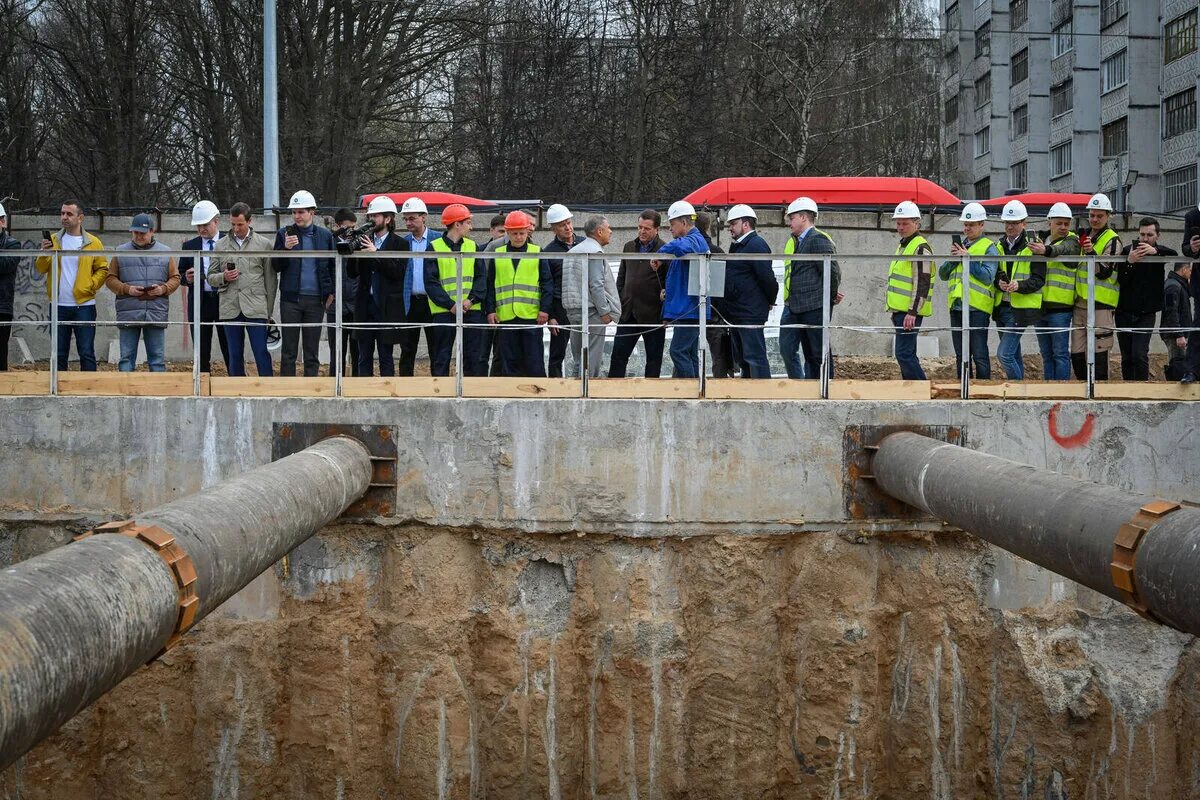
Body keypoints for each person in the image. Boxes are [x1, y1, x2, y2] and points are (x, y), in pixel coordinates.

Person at [36, 200, 108, 371]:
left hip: (84, 305)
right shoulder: (53, 240)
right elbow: (40, 268)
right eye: (62, 213)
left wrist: (91, 285)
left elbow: (103, 269)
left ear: (80, 217)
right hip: (58, 305)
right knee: (59, 353)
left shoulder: (93, 242)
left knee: (86, 352)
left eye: (69, 214)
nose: (64, 217)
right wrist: (44, 253)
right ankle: (58, 390)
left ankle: (89, 390)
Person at [105, 214, 179, 372]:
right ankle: (126, 394)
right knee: (126, 359)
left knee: (157, 360)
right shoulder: (121, 252)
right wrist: (128, 289)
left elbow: (175, 278)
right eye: (135, 232)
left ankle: (158, 395)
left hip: (155, 312)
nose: (138, 236)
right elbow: (110, 279)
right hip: (128, 312)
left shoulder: (165, 252)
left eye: (142, 233)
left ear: (152, 231)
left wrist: (162, 289)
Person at [273, 190, 336, 377]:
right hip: (290, 300)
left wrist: (331, 292)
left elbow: (333, 266)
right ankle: (288, 390)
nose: (297, 216)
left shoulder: (325, 236)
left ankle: (311, 390)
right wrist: (285, 249)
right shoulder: (284, 234)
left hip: (316, 301)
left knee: (311, 351)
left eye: (301, 212)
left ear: (312, 213)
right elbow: (275, 266)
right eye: (294, 212)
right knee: (289, 351)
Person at [210, 202, 276, 377]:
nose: (236, 228)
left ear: (249, 221)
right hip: (230, 306)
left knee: (261, 352)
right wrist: (224, 277)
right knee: (234, 354)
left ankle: (268, 389)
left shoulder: (264, 244)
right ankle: (235, 391)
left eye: (240, 224)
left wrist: (268, 310)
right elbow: (210, 276)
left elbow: (270, 280)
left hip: (256, 307)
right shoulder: (220, 245)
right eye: (232, 224)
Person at [348, 196, 410, 376]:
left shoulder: (401, 244)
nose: (371, 220)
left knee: (385, 355)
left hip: (386, 306)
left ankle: (387, 394)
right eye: (370, 216)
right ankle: (363, 392)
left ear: (388, 219)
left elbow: (398, 273)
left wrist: (377, 253)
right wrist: (353, 249)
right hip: (365, 305)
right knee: (363, 355)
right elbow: (352, 273)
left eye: (376, 216)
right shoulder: (364, 240)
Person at [779, 196, 840, 379]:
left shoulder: (817, 239)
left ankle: (825, 385)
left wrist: (829, 298)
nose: (789, 222)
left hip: (814, 306)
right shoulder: (798, 241)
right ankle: (808, 386)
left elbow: (832, 271)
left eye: (792, 218)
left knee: (817, 352)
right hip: (799, 305)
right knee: (805, 352)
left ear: (804, 217)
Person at [486, 211, 552, 377]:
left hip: (531, 316)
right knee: (509, 361)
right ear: (507, 233)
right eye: (514, 233)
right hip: (505, 316)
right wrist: (491, 310)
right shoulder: (498, 253)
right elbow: (490, 284)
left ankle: (537, 393)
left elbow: (547, 283)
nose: (518, 237)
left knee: (534, 360)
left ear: (527, 231)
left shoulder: (538, 251)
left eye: (522, 233)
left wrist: (545, 309)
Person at [939, 202, 997, 379]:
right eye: (965, 224)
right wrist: (953, 260)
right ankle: (963, 388)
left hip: (977, 308)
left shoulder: (989, 247)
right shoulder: (961, 246)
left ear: (981, 225)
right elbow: (943, 274)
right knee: (961, 355)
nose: (967, 228)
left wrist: (968, 260)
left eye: (971, 225)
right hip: (957, 307)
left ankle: (984, 390)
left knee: (979, 354)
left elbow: (988, 277)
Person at [427, 203, 487, 376]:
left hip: (471, 310)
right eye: (468, 222)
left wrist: (471, 300)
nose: (471, 226)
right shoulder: (434, 247)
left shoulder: (472, 246)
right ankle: (441, 396)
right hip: (444, 311)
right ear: (457, 224)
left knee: (473, 357)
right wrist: (450, 305)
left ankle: (471, 394)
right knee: (441, 356)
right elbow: (431, 282)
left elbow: (481, 277)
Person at [653, 200, 711, 378]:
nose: (670, 229)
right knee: (689, 353)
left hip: (689, 310)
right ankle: (695, 388)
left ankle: (690, 389)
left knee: (677, 351)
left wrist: (660, 254)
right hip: (688, 309)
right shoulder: (693, 242)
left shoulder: (693, 241)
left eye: (672, 224)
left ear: (684, 223)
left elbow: (681, 246)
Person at [562, 215, 621, 377]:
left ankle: (576, 390)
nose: (611, 231)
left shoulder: (573, 251)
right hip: (591, 312)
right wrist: (604, 311)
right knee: (591, 358)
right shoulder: (594, 251)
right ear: (599, 231)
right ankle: (589, 390)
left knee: (579, 358)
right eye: (608, 228)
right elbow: (596, 285)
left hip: (573, 311)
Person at [1071, 193, 1122, 381]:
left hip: (1101, 304)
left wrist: (1091, 252)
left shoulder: (1112, 239)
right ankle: (1083, 390)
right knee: (1077, 352)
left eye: (1099, 216)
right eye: (1092, 215)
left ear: (1108, 216)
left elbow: (1105, 271)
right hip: (1081, 303)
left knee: (1099, 353)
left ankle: (1100, 393)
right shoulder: (1086, 236)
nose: (1094, 219)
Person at [991, 199, 1044, 381]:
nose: (1010, 226)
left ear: (1024, 223)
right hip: (1002, 307)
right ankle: (1022, 394)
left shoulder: (1034, 246)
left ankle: (1018, 388)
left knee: (1004, 354)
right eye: (1007, 222)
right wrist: (999, 282)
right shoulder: (999, 245)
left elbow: (1038, 280)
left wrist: (1019, 285)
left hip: (1020, 309)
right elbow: (996, 273)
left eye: (1014, 223)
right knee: (1013, 354)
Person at [723, 204, 778, 378]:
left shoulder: (756, 245)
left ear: (745, 224)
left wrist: (770, 300)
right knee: (743, 358)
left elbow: (767, 278)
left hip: (750, 312)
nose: (730, 228)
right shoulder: (738, 246)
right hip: (739, 311)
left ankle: (762, 395)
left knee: (754, 357)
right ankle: (748, 392)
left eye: (733, 223)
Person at [610, 209, 666, 378]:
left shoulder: (664, 249)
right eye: (640, 227)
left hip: (653, 314)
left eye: (647, 228)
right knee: (618, 357)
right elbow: (622, 276)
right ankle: (612, 392)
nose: (642, 231)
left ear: (657, 229)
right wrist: (621, 298)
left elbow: (668, 280)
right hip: (628, 313)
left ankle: (651, 396)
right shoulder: (629, 246)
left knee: (653, 360)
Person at [1117, 217, 1173, 381]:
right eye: (1142, 235)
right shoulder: (1128, 250)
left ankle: (1142, 388)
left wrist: (1156, 251)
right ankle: (1128, 389)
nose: (1145, 239)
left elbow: (1175, 254)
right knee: (1127, 356)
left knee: (1139, 354)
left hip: (1146, 313)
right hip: (1124, 311)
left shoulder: (1160, 252)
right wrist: (1130, 262)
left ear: (1158, 236)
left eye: (1149, 235)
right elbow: (1120, 280)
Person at [1028, 203, 1079, 380]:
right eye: (1059, 223)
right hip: (1040, 306)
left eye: (1067, 223)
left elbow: (1063, 249)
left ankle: (1061, 392)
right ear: (1050, 222)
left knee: (1060, 354)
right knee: (1046, 354)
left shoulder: (1073, 241)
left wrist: (1046, 250)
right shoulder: (1040, 240)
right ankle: (1048, 390)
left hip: (1061, 308)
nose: (1064, 227)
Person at [885, 201, 934, 380]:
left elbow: (922, 282)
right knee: (907, 354)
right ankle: (913, 389)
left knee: (904, 354)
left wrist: (913, 311)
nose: (900, 227)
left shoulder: (920, 247)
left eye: (905, 223)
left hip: (909, 312)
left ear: (917, 223)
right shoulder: (904, 245)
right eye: (898, 223)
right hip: (902, 311)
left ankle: (920, 387)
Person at [180, 200, 230, 373]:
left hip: (225, 300)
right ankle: (202, 383)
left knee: (230, 346)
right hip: (200, 303)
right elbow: (180, 275)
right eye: (198, 226)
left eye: (205, 225)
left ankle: (235, 383)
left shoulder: (229, 242)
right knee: (201, 349)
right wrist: (186, 278)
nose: (202, 229)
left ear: (216, 221)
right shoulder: (189, 246)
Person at [397, 197, 441, 376]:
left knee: (435, 348)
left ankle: (437, 384)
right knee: (407, 348)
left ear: (424, 217)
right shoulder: (403, 243)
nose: (408, 222)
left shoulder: (438, 240)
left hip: (433, 302)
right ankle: (405, 384)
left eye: (412, 218)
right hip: (410, 302)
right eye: (405, 219)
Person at [695, 211, 736, 377]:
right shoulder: (717, 251)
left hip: (691, 310)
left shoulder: (688, 249)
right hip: (715, 310)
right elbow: (724, 285)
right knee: (718, 355)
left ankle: (685, 384)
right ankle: (720, 385)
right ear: (707, 227)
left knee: (687, 351)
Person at [541, 204, 579, 377]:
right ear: (553, 229)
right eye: (562, 225)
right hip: (560, 309)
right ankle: (556, 386)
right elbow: (547, 286)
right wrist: (551, 316)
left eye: (569, 222)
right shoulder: (549, 252)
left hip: (582, 307)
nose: (567, 227)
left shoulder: (585, 245)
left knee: (586, 351)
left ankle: (585, 384)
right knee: (557, 355)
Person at [328, 207, 360, 377]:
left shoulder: (360, 242)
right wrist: (329, 294)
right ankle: (335, 385)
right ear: (339, 225)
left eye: (354, 227)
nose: (352, 231)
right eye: (349, 227)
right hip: (335, 305)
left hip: (355, 305)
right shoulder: (329, 243)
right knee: (337, 352)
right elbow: (325, 270)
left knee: (358, 352)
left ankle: (357, 387)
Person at [1177, 203, 1200, 384]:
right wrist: (1192, 248)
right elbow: (1184, 247)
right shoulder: (1192, 215)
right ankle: (1191, 371)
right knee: (1198, 327)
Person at [1161, 261, 1193, 382]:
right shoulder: (1173, 286)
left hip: (1178, 333)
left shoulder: (1178, 284)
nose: (1191, 274)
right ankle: (1175, 392)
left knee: (1180, 362)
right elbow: (1171, 312)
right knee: (1177, 364)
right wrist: (1179, 334)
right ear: (1184, 269)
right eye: (1190, 270)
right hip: (1175, 335)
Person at [0, 202, 23, 371]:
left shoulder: (12, 244)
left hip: (2, 306)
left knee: (0, 349)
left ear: (2, 222)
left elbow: (6, 265)